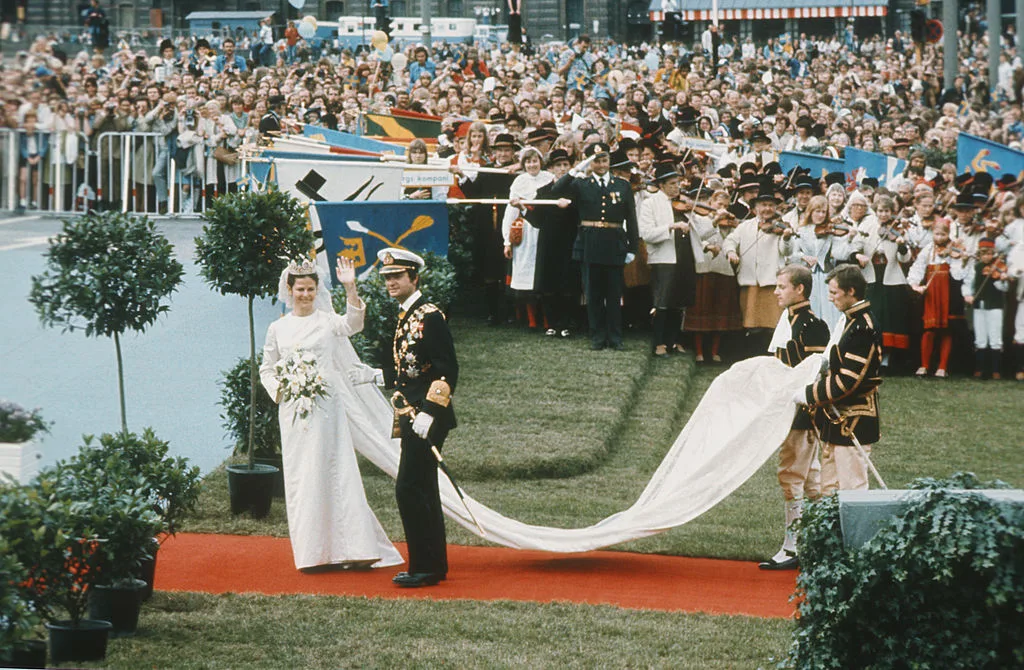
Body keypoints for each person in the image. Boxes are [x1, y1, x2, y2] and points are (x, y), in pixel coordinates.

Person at [259, 256, 403, 571]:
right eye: (300, 289)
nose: (306, 295)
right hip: (295, 412)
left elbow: (353, 324)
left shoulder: (326, 321)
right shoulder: (277, 328)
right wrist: (282, 390)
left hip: (328, 410)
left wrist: (350, 287)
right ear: (289, 289)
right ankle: (313, 554)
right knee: (303, 477)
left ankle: (354, 547)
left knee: (335, 472)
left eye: (311, 289)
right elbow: (267, 368)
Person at [380, 248, 459, 588]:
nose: (391, 283)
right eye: (387, 278)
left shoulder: (429, 315)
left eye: (397, 276)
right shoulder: (406, 313)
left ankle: (424, 566)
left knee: (409, 488)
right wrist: (376, 375)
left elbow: (447, 368)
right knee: (422, 487)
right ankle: (431, 565)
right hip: (412, 413)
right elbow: (408, 368)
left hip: (426, 416)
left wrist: (430, 411)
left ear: (414, 278)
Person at [760, 264, 829, 570]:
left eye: (782, 286)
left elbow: (813, 374)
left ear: (799, 289)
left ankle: (793, 546)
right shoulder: (789, 319)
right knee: (812, 481)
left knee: (792, 477)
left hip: (803, 412)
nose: (776, 291)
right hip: (789, 408)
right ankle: (824, 541)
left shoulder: (811, 325)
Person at [795, 265, 883, 495]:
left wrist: (808, 395)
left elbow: (847, 381)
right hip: (836, 417)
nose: (830, 298)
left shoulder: (862, 328)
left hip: (853, 418)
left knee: (851, 490)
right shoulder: (849, 321)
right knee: (829, 489)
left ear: (851, 291)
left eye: (834, 293)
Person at [551, 142, 639, 351]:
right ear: (590, 163)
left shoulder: (622, 185)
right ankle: (597, 336)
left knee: (614, 294)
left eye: (604, 160)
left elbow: (631, 219)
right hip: (590, 244)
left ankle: (615, 337)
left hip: (614, 243)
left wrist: (632, 248)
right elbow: (557, 188)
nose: (601, 165)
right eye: (596, 161)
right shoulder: (581, 184)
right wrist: (577, 169)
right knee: (594, 294)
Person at [638, 162, 695, 357]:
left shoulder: (682, 204)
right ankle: (659, 343)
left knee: (678, 301)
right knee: (662, 302)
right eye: (671, 183)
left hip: (684, 255)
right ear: (661, 185)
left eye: (677, 183)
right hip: (664, 258)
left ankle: (673, 340)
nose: (676, 187)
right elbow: (646, 233)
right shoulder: (650, 203)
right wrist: (671, 226)